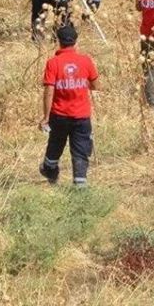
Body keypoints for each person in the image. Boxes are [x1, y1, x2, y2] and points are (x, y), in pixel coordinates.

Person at [39, 24, 99, 187]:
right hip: (82, 115)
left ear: (58, 41)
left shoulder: (53, 63)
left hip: (59, 115)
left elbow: (49, 91)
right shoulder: (85, 61)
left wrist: (45, 117)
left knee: (55, 144)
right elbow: (95, 84)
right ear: (75, 42)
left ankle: (50, 170)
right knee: (81, 149)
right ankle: (80, 184)